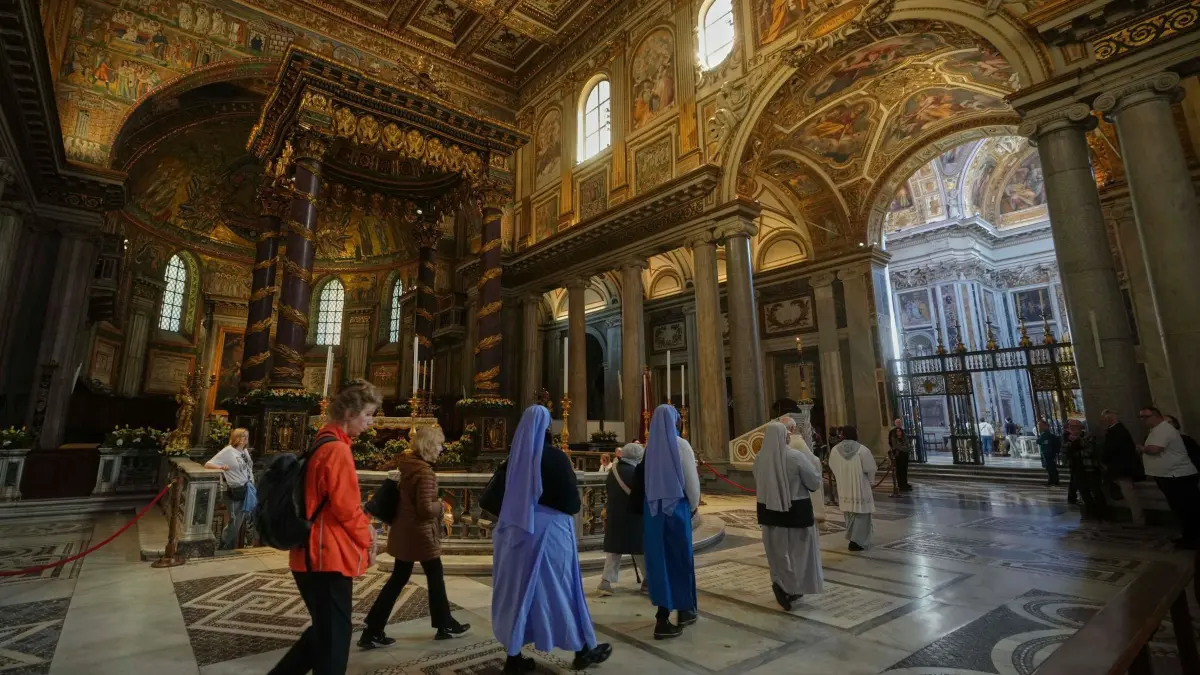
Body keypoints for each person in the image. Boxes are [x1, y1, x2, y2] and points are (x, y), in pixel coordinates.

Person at [269, 379, 379, 675]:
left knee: (324, 634)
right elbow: (346, 509)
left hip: (309, 554)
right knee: (333, 641)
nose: (370, 422)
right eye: (368, 414)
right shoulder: (338, 451)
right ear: (350, 413)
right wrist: (368, 537)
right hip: (327, 556)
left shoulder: (322, 440)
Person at [491, 405, 612, 673]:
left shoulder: (512, 460)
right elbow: (572, 503)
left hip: (516, 536)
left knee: (520, 595)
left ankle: (513, 658)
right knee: (562, 591)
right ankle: (583, 650)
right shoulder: (555, 458)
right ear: (548, 429)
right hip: (549, 536)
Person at [359, 425, 469, 649]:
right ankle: (444, 624)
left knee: (400, 579)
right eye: (438, 443)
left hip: (405, 532)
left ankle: (372, 630)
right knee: (434, 576)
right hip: (421, 535)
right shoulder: (425, 473)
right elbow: (426, 510)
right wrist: (441, 506)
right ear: (429, 446)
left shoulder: (408, 467)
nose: (441, 448)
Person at [631, 404, 700, 640]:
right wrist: (692, 506)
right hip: (676, 510)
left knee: (659, 562)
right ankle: (684, 609)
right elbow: (691, 482)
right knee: (680, 559)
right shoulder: (680, 445)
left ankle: (662, 616)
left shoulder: (649, 448)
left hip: (652, 512)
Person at [754, 422, 823, 611]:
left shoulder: (760, 458)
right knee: (799, 554)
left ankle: (783, 584)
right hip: (796, 512)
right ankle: (794, 586)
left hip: (769, 512)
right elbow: (814, 481)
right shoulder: (795, 456)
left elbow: (758, 481)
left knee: (777, 554)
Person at [1138, 406, 1200, 549]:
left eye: (1145, 417)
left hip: (1176, 476)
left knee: (1186, 508)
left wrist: (1141, 448)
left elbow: (1155, 449)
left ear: (1155, 416)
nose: (1142, 420)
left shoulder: (1163, 429)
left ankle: (1192, 539)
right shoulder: (1156, 430)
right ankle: (1188, 535)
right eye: (1140, 417)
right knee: (1181, 508)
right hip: (1168, 475)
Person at [598, 442, 645, 596]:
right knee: (639, 549)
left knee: (614, 550)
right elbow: (641, 495)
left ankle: (606, 582)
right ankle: (650, 580)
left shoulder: (613, 470)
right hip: (632, 516)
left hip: (615, 515)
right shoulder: (634, 472)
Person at [828, 425, 876, 551]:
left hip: (844, 487)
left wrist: (841, 476)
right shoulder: (863, 450)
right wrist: (870, 481)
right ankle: (857, 541)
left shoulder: (834, 450)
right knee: (862, 514)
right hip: (860, 486)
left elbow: (832, 466)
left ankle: (852, 539)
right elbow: (870, 468)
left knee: (849, 513)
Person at [205, 427, 253, 550]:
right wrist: (220, 467)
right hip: (234, 490)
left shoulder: (245, 451)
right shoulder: (228, 451)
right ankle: (224, 545)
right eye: (243, 436)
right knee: (235, 520)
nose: (245, 439)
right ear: (236, 438)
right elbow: (208, 464)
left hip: (247, 489)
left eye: (247, 436)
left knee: (242, 519)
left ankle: (231, 544)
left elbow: (248, 468)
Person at [1099, 409, 1145, 526]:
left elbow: (1111, 449)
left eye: (1104, 420)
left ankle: (1138, 520)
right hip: (1121, 468)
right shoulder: (1118, 430)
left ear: (1110, 419)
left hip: (1122, 468)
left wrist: (1103, 458)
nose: (1103, 423)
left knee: (1129, 493)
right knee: (1127, 492)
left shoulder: (1116, 431)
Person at [778, 416, 825, 520]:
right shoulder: (796, 441)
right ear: (792, 428)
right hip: (798, 489)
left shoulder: (774, 442)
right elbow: (812, 462)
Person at [1063, 418, 1108, 522]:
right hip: (1076, 470)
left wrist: (1078, 443)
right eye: (1071, 427)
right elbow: (1065, 453)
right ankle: (1091, 514)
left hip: (1090, 469)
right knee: (1084, 493)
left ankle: (1104, 515)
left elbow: (1090, 451)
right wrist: (1071, 443)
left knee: (1096, 492)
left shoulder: (1088, 436)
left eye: (1076, 427)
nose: (1074, 429)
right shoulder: (1067, 439)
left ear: (1080, 427)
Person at [887, 418, 912, 492]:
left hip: (905, 455)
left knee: (904, 469)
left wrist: (904, 448)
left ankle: (905, 483)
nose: (899, 423)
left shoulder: (904, 433)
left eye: (900, 422)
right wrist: (902, 448)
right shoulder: (892, 432)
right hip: (898, 455)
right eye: (897, 422)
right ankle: (900, 484)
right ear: (895, 423)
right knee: (899, 470)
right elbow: (894, 444)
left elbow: (907, 445)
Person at [1036, 421, 1061, 487]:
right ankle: (1051, 481)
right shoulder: (1046, 434)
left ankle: (1054, 482)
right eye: (1038, 426)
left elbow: (1038, 441)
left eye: (1040, 425)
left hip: (1048, 453)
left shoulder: (1045, 434)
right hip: (1048, 452)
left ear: (1045, 426)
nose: (1039, 427)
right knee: (1049, 468)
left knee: (1051, 468)